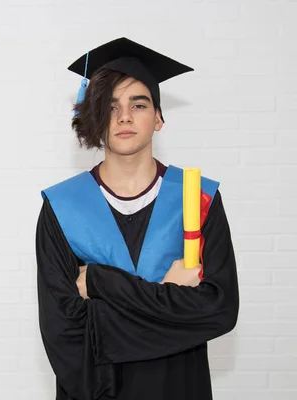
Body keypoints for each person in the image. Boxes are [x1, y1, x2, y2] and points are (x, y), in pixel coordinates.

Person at [35, 37, 240, 400]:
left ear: (159, 118)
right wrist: (171, 300)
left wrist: (101, 283)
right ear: (96, 119)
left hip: (179, 388)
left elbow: (219, 311)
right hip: (97, 393)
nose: (125, 116)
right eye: (111, 107)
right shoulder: (62, 207)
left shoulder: (197, 198)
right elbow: (63, 332)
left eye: (139, 104)